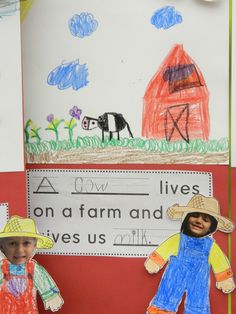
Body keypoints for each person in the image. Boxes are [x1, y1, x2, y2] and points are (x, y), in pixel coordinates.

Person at [145, 194, 235, 314]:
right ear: (187, 218)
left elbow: (220, 263)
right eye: (195, 216)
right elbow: (164, 249)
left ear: (211, 227)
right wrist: (155, 261)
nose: (199, 221)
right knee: (165, 298)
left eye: (205, 220)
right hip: (174, 276)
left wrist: (225, 279)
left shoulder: (211, 246)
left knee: (198, 304)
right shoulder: (178, 239)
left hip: (199, 280)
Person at [0, 216, 64, 313]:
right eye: (12, 243)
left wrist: (51, 296)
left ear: (35, 246)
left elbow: (44, 282)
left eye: (26, 243)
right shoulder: (1, 268)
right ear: (2, 247)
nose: (20, 250)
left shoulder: (34, 269)